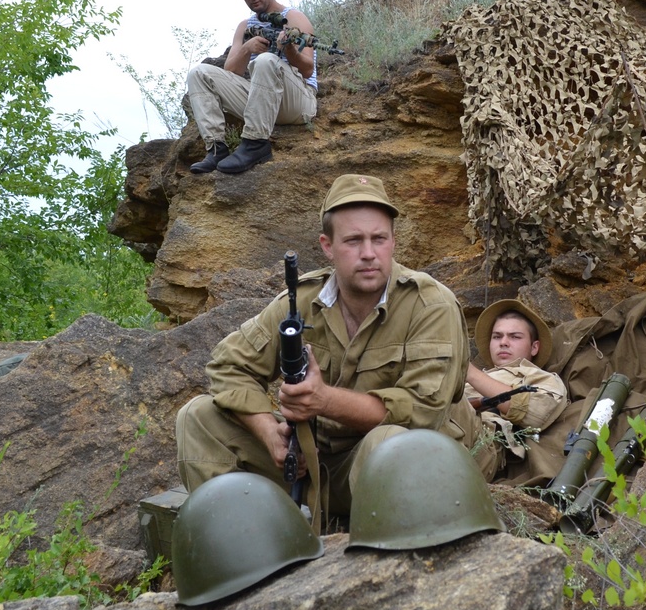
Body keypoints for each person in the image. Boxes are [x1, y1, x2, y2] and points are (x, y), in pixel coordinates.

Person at [174, 173, 470, 521]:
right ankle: (244, 540)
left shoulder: (430, 305)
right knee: (197, 417)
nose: (369, 254)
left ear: (393, 241)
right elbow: (228, 366)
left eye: (379, 239)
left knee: (390, 442)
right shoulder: (301, 301)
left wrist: (324, 400)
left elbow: (424, 413)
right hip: (306, 465)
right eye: (353, 241)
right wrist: (270, 434)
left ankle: (381, 549)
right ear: (327, 246)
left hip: (386, 469)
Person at [185, 0, 318, 175]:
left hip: (298, 103)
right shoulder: (245, 26)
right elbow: (231, 72)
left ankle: (255, 144)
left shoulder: (293, 17)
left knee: (266, 61)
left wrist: (289, 49)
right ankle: (216, 149)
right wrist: (247, 48)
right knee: (198, 73)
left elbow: (308, 71)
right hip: (262, 103)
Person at [460, 299, 568, 481]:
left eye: (515, 337)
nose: (503, 342)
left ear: (534, 347)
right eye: (497, 336)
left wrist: (469, 372)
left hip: (480, 445)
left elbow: (537, 414)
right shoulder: (471, 377)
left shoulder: (540, 378)